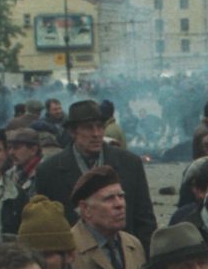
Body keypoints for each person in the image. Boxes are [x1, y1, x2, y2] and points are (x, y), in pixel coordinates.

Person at [32, 100, 156, 244]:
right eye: (88, 128)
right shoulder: (49, 171)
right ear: (73, 132)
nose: (96, 134)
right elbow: (46, 227)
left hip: (123, 255)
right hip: (75, 257)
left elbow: (145, 220)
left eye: (99, 127)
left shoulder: (129, 163)